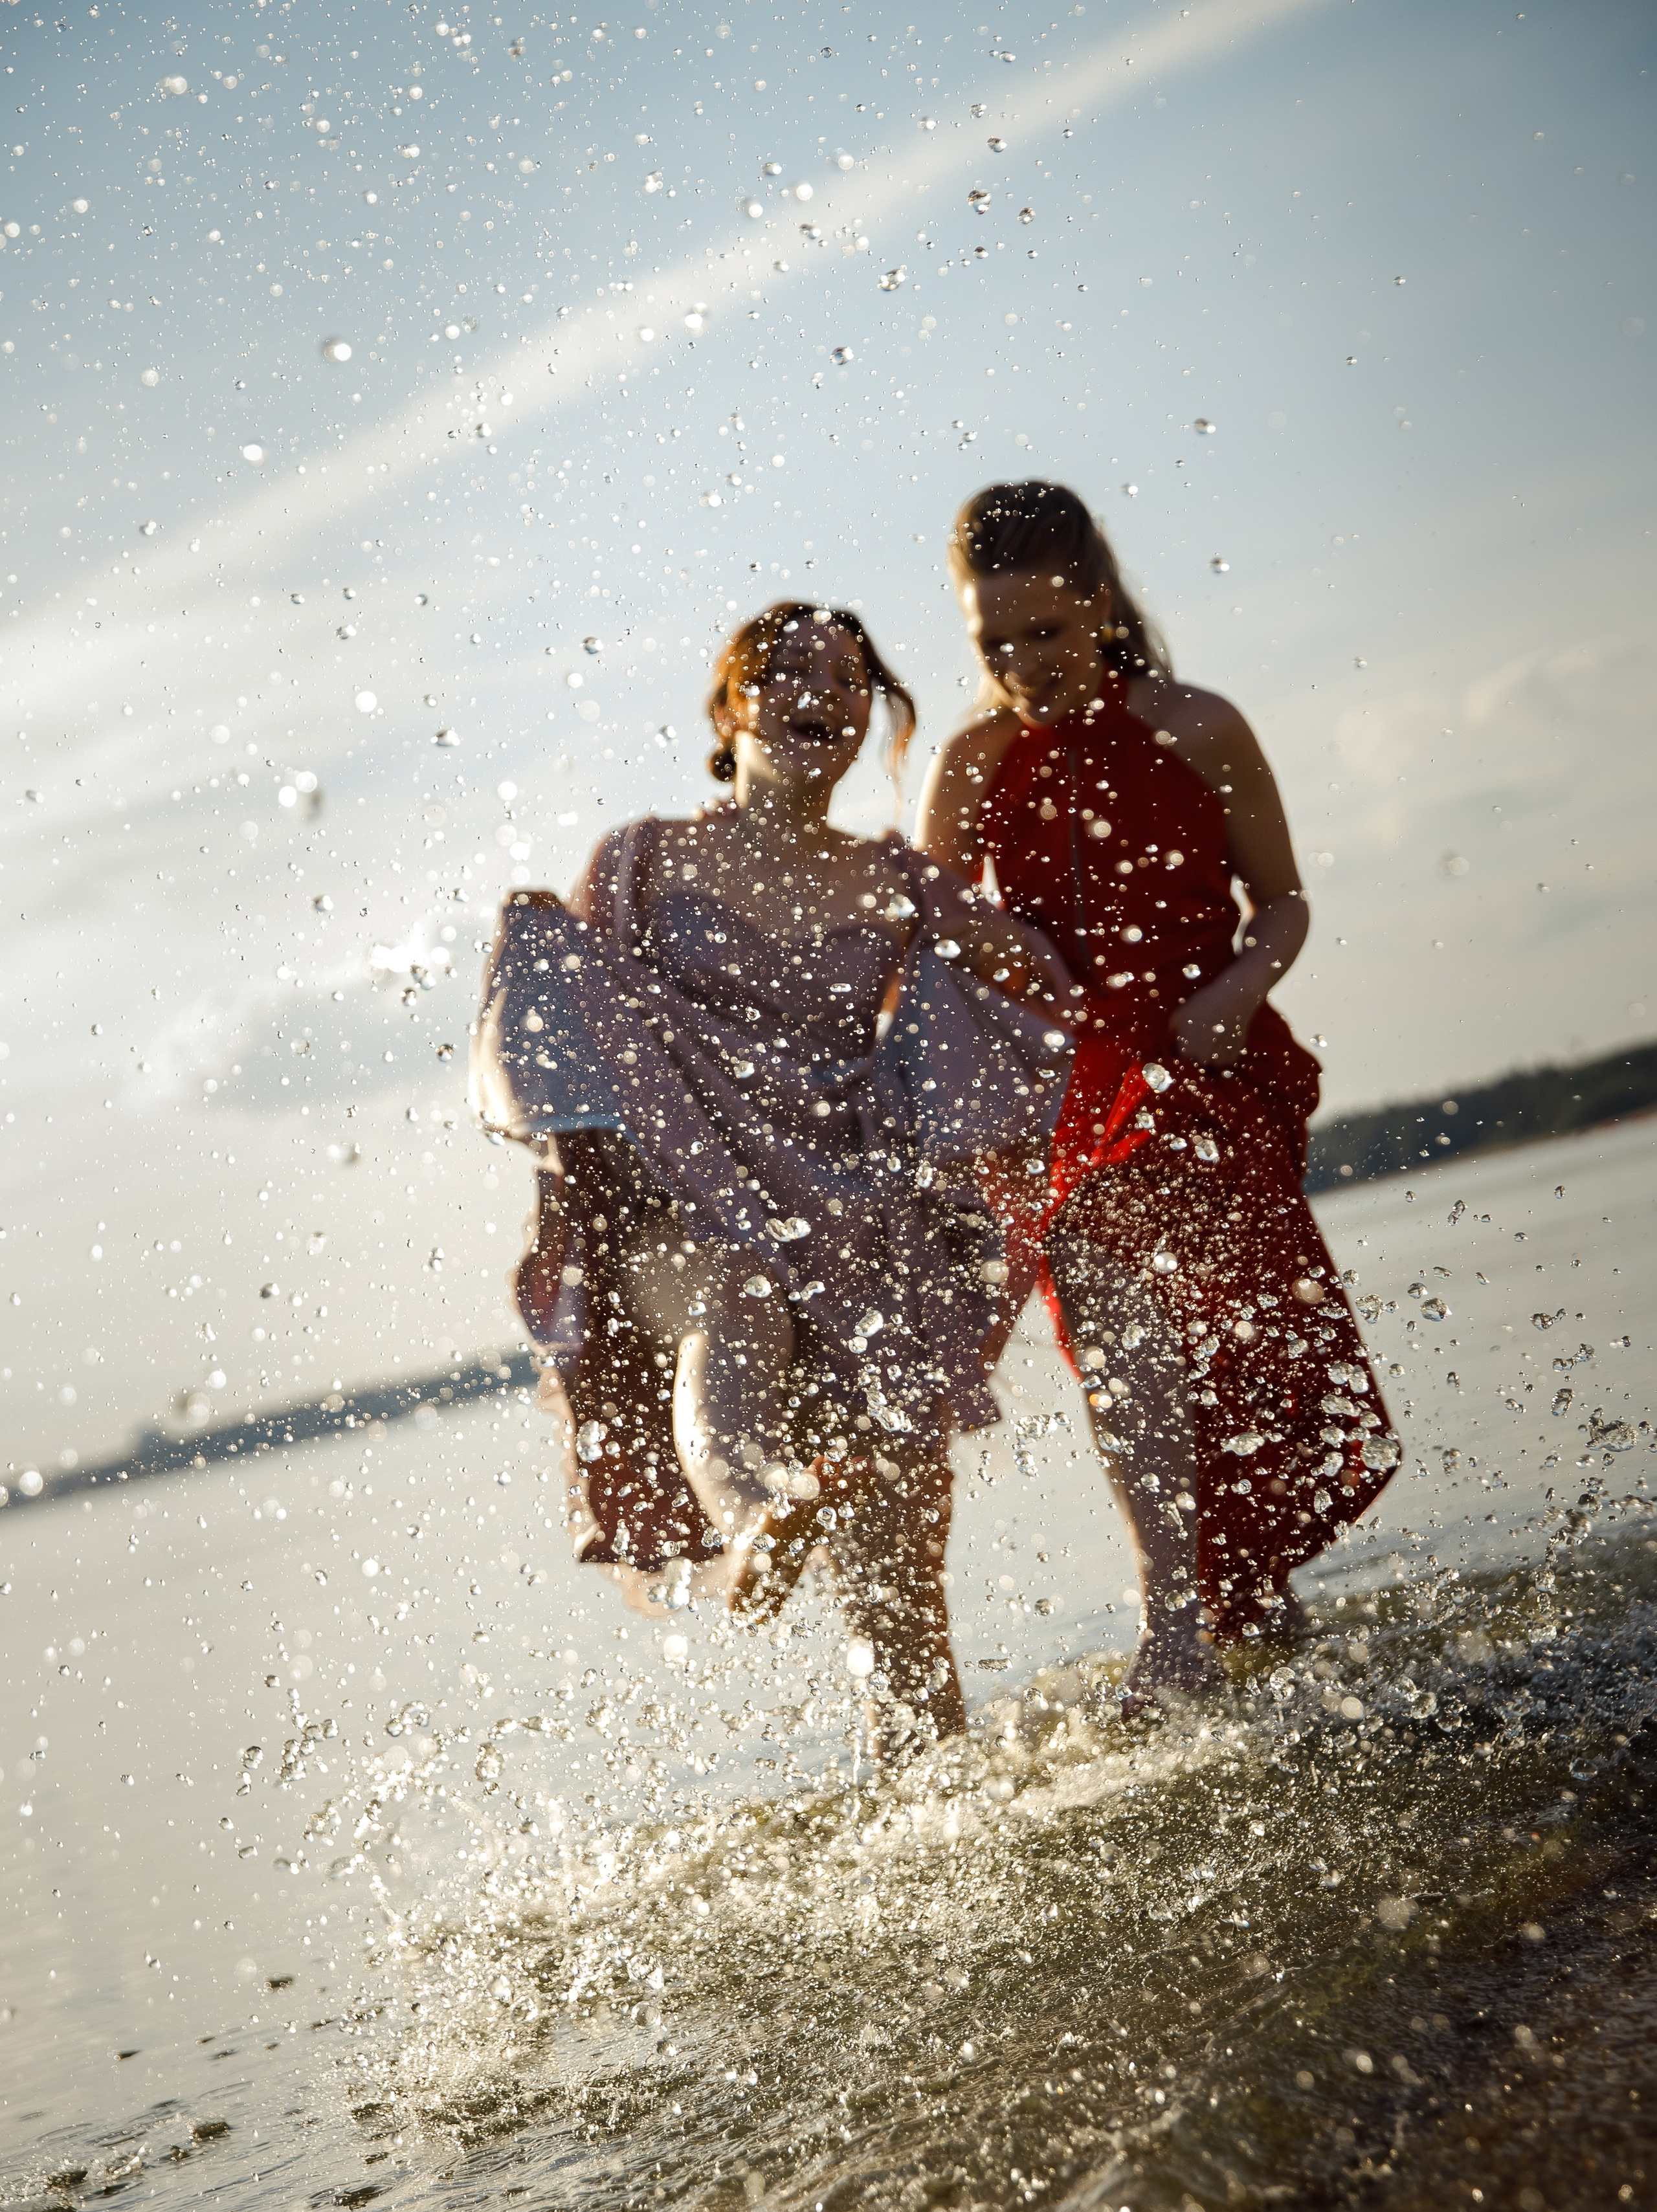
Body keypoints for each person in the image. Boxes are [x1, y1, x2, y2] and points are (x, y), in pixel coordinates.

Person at [472, 601, 1071, 1762]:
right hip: (691, 1214)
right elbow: (600, 1039)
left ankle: (936, 1820)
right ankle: (752, 1524)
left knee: (902, 1582)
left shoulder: (897, 877)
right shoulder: (643, 859)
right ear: (730, 706)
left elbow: (1037, 976)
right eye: (788, 671)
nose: (822, 693)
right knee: (732, 1319)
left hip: (858, 1229)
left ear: (870, 719)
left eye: (850, 679)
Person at [917, 481, 1398, 1716]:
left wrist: (1239, 986)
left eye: (1047, 634)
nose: (1022, 664)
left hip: (1211, 1065)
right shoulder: (974, 759)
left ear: (1102, 607)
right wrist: (1001, 952)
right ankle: (1170, 1632)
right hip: (1064, 1094)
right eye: (994, 643)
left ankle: (1254, 1619)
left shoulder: (1200, 727)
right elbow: (933, 927)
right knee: (1122, 1341)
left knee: (1237, 1352)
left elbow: (1283, 902)